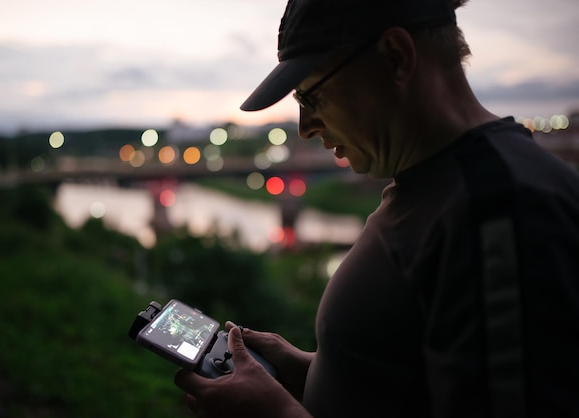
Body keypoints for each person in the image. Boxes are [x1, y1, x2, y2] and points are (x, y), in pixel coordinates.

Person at [175, 0, 579, 416]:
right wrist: (310, 374)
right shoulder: (434, 186)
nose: (305, 127)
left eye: (312, 95)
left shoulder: (502, 210)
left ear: (395, 57)